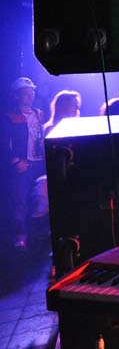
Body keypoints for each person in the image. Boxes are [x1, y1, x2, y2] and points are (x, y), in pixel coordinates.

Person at [1, 77, 45, 250]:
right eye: (25, 93)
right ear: (17, 96)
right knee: (20, 201)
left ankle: (39, 235)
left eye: (31, 92)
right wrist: (16, 161)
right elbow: (4, 142)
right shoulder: (9, 117)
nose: (30, 96)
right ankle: (21, 236)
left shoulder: (39, 113)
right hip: (23, 165)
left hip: (40, 162)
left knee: (40, 199)